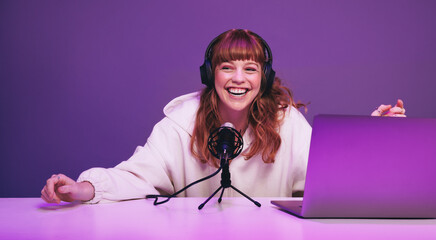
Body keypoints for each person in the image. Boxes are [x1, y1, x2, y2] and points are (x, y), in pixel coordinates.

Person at [41, 29, 406, 204]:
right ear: (209, 74)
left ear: (263, 78)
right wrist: (84, 189)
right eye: (227, 67)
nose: (237, 79)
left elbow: (331, 180)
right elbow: (133, 176)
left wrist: (373, 138)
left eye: (250, 68)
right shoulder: (181, 122)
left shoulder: (286, 122)